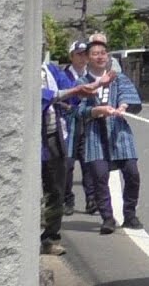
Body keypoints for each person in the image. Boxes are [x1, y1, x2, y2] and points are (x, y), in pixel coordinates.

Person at [77, 40, 145, 234]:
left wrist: (123, 106)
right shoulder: (82, 83)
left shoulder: (118, 78)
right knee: (99, 177)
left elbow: (129, 96)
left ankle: (129, 214)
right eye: (95, 53)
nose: (99, 56)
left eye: (103, 53)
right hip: (95, 135)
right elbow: (77, 110)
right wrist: (97, 110)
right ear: (88, 58)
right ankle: (107, 218)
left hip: (119, 132)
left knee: (132, 174)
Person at [40, 52, 101, 255]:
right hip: (31, 138)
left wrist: (89, 88)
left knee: (56, 189)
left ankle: (50, 239)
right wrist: (71, 92)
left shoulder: (51, 70)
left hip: (53, 135)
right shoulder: (23, 68)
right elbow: (41, 95)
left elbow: (71, 93)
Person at [62, 40, 97, 216]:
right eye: (79, 54)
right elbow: (56, 97)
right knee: (67, 165)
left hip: (87, 123)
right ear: (71, 56)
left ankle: (91, 199)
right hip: (68, 125)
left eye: (85, 54)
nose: (83, 58)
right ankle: (67, 198)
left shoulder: (92, 75)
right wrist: (68, 107)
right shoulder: (63, 76)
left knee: (88, 163)